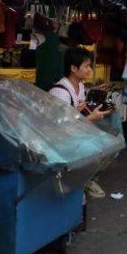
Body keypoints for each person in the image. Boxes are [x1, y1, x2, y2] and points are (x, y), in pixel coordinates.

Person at [50, 47, 113, 199]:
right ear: (73, 68)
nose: (89, 70)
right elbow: (60, 126)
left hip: (76, 134)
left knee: (113, 142)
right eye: (86, 66)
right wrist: (90, 118)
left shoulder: (81, 86)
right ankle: (82, 180)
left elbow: (74, 115)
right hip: (61, 141)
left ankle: (85, 178)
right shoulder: (60, 92)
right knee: (99, 149)